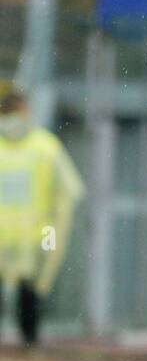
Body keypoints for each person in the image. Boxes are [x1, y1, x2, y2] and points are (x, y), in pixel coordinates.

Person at [0, 85, 84, 347]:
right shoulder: (45, 146)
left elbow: (65, 195)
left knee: (32, 295)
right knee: (30, 295)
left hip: (36, 238)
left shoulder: (45, 147)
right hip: (16, 236)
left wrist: (52, 237)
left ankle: (30, 347)